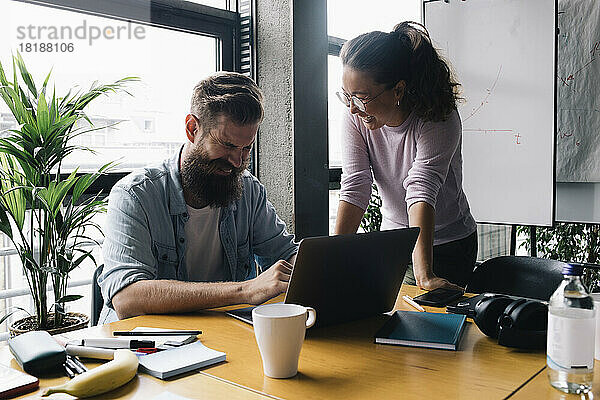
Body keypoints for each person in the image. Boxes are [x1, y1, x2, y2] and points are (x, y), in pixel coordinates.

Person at [98, 72, 297, 323]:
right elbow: (127, 299)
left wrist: (312, 267)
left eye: (246, 148)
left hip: (224, 335)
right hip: (147, 343)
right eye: (226, 145)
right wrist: (245, 290)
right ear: (192, 129)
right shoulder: (135, 195)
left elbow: (283, 253)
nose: (237, 161)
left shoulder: (249, 190)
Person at [334, 21, 477, 291]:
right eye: (347, 96)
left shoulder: (437, 115)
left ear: (398, 90)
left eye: (361, 97)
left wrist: (425, 274)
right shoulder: (356, 116)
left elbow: (421, 187)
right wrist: (330, 260)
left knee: (428, 320)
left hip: (446, 243)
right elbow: (356, 185)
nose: (353, 108)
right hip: (394, 242)